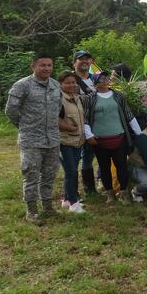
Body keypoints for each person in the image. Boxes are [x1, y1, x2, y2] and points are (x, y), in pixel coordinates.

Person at [5, 53, 62, 223]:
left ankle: (48, 206)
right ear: (33, 66)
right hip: (31, 140)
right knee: (31, 174)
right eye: (42, 65)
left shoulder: (55, 85)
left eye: (49, 65)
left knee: (50, 174)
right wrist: (25, 128)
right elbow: (11, 111)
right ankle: (31, 211)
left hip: (52, 138)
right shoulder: (22, 85)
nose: (46, 68)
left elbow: (58, 109)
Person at [81, 70, 142, 204]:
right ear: (96, 83)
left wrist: (139, 134)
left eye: (106, 77)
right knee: (104, 167)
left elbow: (128, 114)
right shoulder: (89, 98)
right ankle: (109, 193)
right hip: (98, 140)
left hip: (119, 137)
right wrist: (89, 135)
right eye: (101, 78)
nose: (105, 79)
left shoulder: (118, 95)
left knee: (121, 165)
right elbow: (84, 118)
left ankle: (124, 193)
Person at [57, 71, 86, 214]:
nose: (71, 85)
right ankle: (74, 203)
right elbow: (53, 119)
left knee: (72, 171)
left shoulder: (77, 97)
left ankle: (66, 199)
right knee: (71, 172)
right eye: (67, 82)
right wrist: (69, 127)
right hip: (64, 141)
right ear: (60, 84)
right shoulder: (58, 98)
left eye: (73, 82)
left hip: (77, 141)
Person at [73, 50, 98, 196]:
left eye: (87, 59)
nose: (84, 61)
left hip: (95, 123)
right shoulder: (70, 79)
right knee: (74, 159)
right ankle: (72, 192)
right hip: (76, 124)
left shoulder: (96, 79)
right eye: (80, 59)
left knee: (89, 157)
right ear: (74, 62)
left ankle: (90, 189)